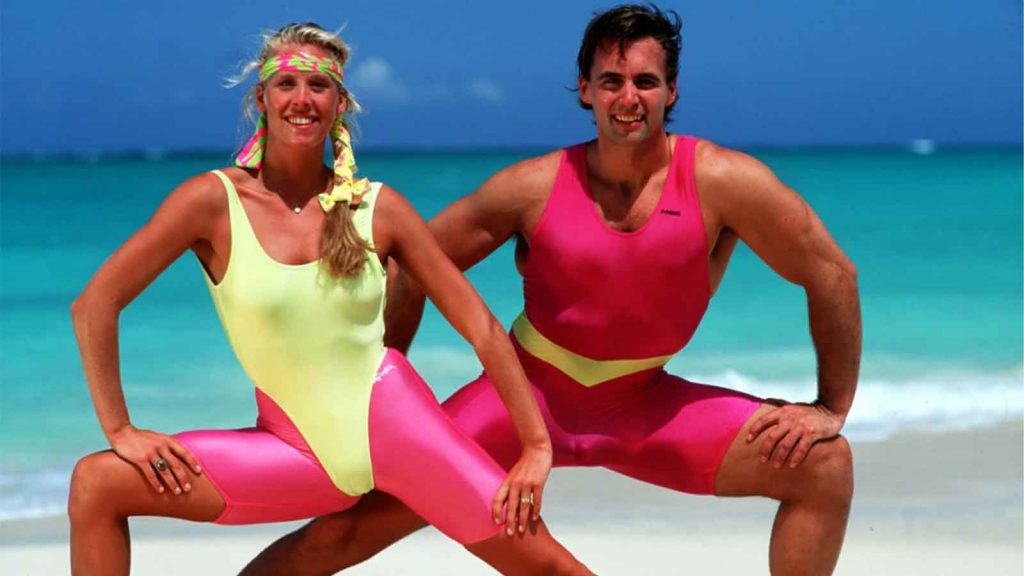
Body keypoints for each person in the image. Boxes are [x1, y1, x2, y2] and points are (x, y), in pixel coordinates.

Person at [242, 4, 860, 576]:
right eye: (611, 81)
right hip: (521, 399)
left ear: (671, 91)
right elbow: (410, 262)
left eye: (645, 82)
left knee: (824, 467)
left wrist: (829, 407)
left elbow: (831, 273)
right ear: (586, 89)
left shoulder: (722, 182)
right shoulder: (532, 187)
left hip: (645, 407)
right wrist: (383, 386)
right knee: (346, 532)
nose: (628, 98)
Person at [67, 22, 593, 576]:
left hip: (402, 430)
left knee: (549, 567)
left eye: (318, 85)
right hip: (295, 450)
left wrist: (536, 446)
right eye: (286, 84)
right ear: (261, 98)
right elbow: (95, 304)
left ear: (339, 104)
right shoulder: (211, 203)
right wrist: (121, 430)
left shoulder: (378, 209)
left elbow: (481, 328)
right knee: (97, 483)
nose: (302, 99)